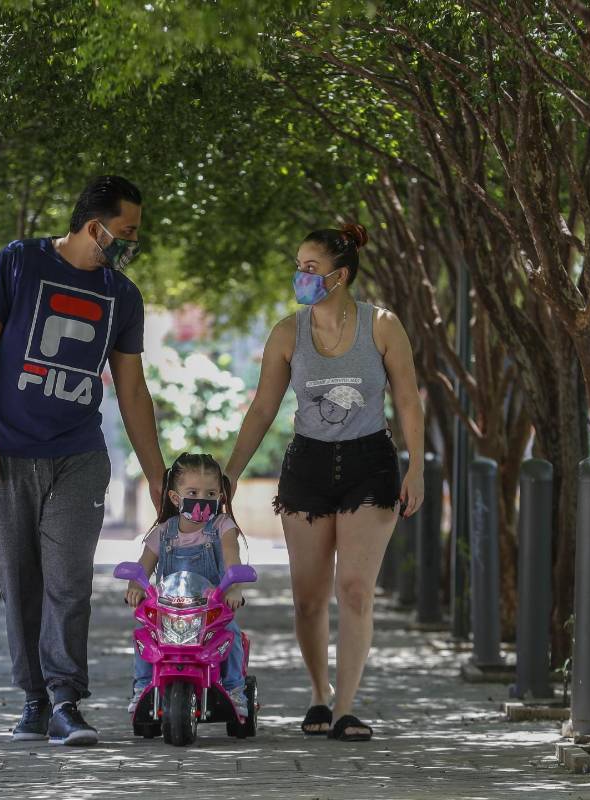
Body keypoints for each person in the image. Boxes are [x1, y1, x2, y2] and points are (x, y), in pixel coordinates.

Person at [0, 176, 165, 747]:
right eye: (126, 231)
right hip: (4, 453)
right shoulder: (18, 262)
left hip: (78, 454)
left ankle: (65, 700)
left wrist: (157, 474)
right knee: (19, 581)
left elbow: (132, 389)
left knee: (69, 582)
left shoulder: (122, 296)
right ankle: (33, 699)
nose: (132, 242)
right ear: (93, 224)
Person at [225, 223, 425, 742]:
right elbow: (264, 407)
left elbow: (407, 399)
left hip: (370, 465)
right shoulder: (287, 333)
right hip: (307, 467)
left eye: (310, 269)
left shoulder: (381, 326)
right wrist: (230, 474)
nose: (301, 277)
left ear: (339, 276)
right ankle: (318, 695)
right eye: (299, 267)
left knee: (355, 591)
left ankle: (345, 707)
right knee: (308, 598)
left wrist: (417, 467)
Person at [123, 453, 248, 715]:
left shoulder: (222, 526)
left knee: (232, 634)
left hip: (211, 610)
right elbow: (143, 565)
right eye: (193, 491)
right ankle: (143, 687)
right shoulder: (164, 531)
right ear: (175, 497)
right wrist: (135, 586)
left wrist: (234, 586)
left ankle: (235, 689)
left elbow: (232, 557)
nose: (202, 499)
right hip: (167, 610)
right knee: (144, 637)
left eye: (210, 493)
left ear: (220, 497)